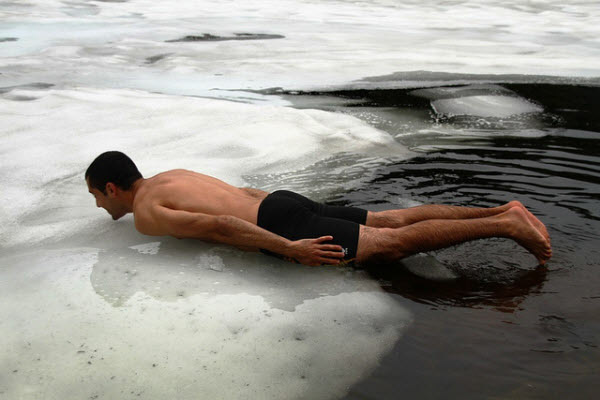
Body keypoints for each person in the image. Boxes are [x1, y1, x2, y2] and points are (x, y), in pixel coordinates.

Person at [85, 151, 552, 266]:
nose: (98, 205)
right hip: (279, 202)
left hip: (279, 222)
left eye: (96, 196)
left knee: (390, 245)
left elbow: (221, 224)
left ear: (112, 187)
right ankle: (502, 209)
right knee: (395, 218)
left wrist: (290, 248)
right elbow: (236, 194)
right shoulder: (173, 175)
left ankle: (506, 225)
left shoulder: (146, 212)